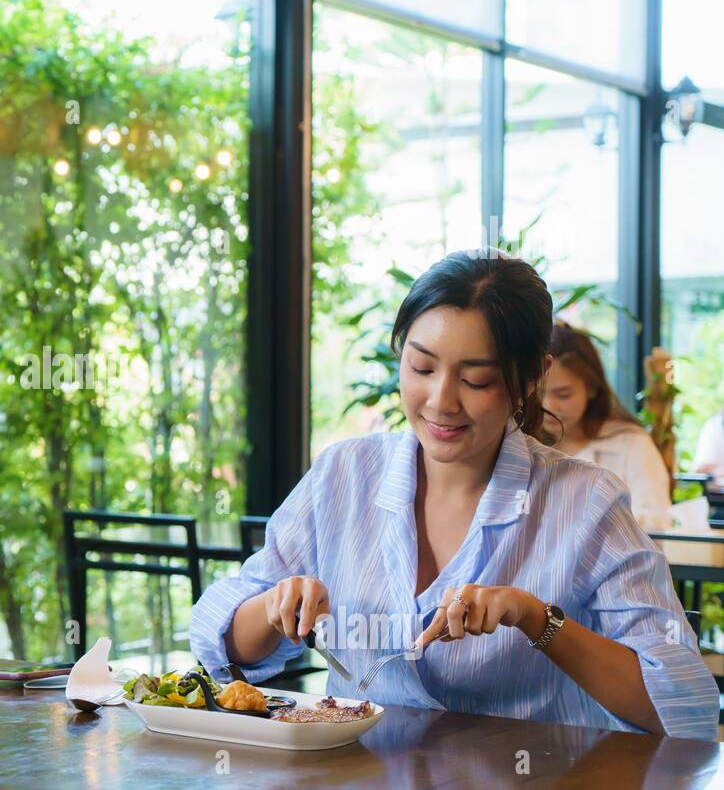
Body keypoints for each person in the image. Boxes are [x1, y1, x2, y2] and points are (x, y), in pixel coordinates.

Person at [190, 249, 719, 740]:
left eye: (477, 380)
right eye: (421, 368)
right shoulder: (342, 476)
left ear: (531, 377)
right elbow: (220, 647)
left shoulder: (586, 503)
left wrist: (537, 618)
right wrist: (272, 606)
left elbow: (682, 703)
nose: (441, 401)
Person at [541, 321, 673, 531]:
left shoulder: (631, 443)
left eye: (563, 394)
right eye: (538, 394)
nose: (548, 405)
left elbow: (656, 522)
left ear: (592, 388)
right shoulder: (519, 444)